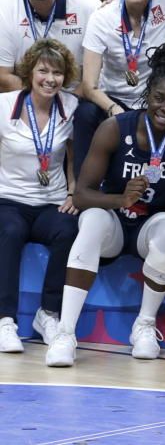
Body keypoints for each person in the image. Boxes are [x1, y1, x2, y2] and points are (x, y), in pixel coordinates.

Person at [45, 45, 165, 367]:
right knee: (93, 220)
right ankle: (65, 332)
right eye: (159, 98)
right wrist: (120, 199)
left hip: (151, 228)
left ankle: (144, 325)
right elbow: (83, 194)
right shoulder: (115, 128)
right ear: (147, 93)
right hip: (114, 224)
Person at [0, 40, 80, 352]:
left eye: (57, 73)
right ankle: (5, 320)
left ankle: (47, 314)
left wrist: (74, 191)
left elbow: (74, 156)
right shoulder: (5, 105)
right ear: (30, 72)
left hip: (51, 201)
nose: (50, 79)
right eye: (43, 70)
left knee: (69, 230)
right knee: (10, 230)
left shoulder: (70, 107)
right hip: (8, 198)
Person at [76, 0, 165, 175]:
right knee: (84, 114)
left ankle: (160, 185)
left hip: (152, 99)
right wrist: (114, 109)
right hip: (111, 98)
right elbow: (89, 86)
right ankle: (79, 188)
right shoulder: (102, 18)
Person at [0, 0, 101, 92]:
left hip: (75, 96)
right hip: (22, 94)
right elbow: (3, 76)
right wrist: (42, 98)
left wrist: (67, 103)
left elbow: (99, 73)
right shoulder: (4, 5)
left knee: (90, 112)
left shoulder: (88, 5)